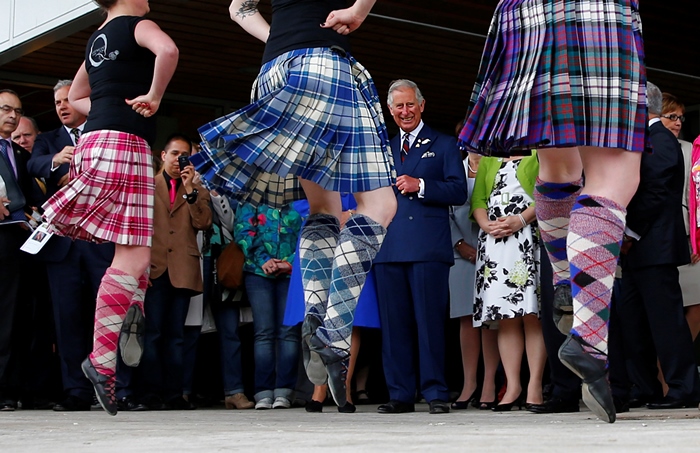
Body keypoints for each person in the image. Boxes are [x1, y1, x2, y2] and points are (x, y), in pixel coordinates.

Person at [189, 0, 396, 408]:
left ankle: (317, 316)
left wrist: (277, 38)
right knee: (380, 205)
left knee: (323, 209)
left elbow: (238, 8)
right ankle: (334, 330)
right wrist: (356, 11)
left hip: (273, 70)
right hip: (321, 64)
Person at [459, 0, 647, 423]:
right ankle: (589, 339)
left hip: (523, 16)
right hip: (596, 12)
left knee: (559, 167)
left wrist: (360, 8)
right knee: (612, 178)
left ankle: (564, 281)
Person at [40, 0, 179, 415]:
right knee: (134, 252)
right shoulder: (138, 25)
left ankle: (129, 309)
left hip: (95, 141)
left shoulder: (96, 38)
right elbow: (168, 51)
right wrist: (153, 96)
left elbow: (78, 96)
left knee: (130, 250)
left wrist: (107, 108)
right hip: (125, 144)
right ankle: (102, 359)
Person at [373, 79, 467, 415]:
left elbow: (458, 191)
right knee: (394, 325)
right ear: (390, 110)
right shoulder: (380, 146)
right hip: (388, 247)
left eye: (410, 104)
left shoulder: (444, 144)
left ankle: (436, 392)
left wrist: (421, 185)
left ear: (422, 105)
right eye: (398, 106)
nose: (405, 111)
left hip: (427, 247)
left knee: (430, 325)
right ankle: (399, 394)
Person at [609, 82, 700, 410]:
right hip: (636, 247)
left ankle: (684, 387)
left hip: (653, 244)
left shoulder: (660, 138)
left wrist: (630, 233)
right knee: (632, 321)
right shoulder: (642, 138)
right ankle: (644, 386)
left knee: (666, 321)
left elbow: (657, 191)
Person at [27, 80, 115, 412]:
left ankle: (112, 386)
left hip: (99, 240)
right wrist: (56, 161)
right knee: (67, 319)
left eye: (67, 100)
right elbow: (34, 165)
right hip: (61, 244)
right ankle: (76, 390)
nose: (62, 106)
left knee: (105, 315)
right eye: (57, 102)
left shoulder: (103, 132)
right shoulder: (48, 140)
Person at [136, 135, 211, 411]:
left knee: (177, 335)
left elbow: (203, 222)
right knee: (152, 333)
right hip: (154, 268)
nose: (179, 160)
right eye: (175, 154)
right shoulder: (146, 185)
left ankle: (174, 393)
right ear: (163, 155)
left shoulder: (196, 188)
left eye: (185, 155)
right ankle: (150, 392)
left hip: (183, 267)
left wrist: (190, 189)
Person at [471, 150, 546, 410]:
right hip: (495, 242)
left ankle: (534, 386)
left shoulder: (539, 153)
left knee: (532, 314)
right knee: (506, 317)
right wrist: (486, 225)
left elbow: (549, 192)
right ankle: (513, 386)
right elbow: (478, 200)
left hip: (527, 235)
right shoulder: (490, 157)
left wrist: (521, 219)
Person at [233, 199, 303, 410]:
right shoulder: (252, 195)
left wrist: (289, 261)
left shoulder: (300, 196)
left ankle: (285, 391)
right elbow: (243, 230)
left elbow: (307, 231)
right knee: (263, 332)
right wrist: (263, 259)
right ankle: (263, 392)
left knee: (288, 331)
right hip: (257, 271)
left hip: (290, 271)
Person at [448, 149, 501, 410]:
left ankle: (489, 384)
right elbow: (442, 210)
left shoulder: (497, 164)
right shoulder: (453, 167)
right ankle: (469, 384)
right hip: (460, 254)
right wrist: (458, 243)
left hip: (495, 249)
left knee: (490, 320)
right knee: (466, 321)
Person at [0, 89, 41, 411]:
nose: (12, 116)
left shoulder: (20, 153)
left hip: (19, 243)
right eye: (5, 109)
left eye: (17, 111)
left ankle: (12, 389)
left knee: (16, 317)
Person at [662, 92, 700, 340]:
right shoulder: (642, 148)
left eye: (681, 118)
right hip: (656, 239)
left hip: (688, 237)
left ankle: (676, 368)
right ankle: (661, 373)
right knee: (664, 311)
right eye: (672, 116)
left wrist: (697, 238)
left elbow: (695, 195)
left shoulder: (689, 149)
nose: (678, 122)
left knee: (696, 306)